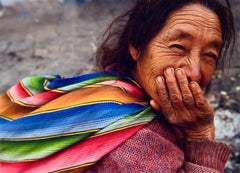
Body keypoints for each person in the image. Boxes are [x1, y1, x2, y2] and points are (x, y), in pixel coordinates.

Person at [0, 0, 235, 172]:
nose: (194, 71)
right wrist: (201, 135)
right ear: (136, 46)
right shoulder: (141, 146)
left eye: (209, 55)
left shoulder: (103, 89)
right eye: (178, 47)